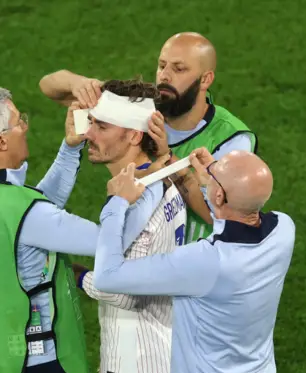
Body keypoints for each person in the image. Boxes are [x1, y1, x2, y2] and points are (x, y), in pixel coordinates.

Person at [0, 88, 163, 373]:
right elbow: (107, 242)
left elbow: (34, 210)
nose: (26, 127)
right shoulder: (28, 215)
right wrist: (147, 186)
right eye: (20, 122)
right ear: (2, 141)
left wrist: (70, 148)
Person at [89, 148, 295, 373]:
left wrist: (116, 204)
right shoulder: (284, 230)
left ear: (220, 195)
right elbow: (233, 217)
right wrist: (210, 182)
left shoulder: (204, 262)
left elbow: (108, 276)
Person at [38, 32, 258, 243]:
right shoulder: (142, 107)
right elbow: (48, 86)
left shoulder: (231, 140)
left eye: (179, 69)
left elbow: (219, 215)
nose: (164, 76)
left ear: (205, 79)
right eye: (162, 66)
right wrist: (77, 84)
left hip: (200, 262)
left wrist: (168, 159)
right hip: (150, 246)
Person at [71, 79, 187, 373]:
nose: (88, 134)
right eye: (90, 122)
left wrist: (76, 275)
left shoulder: (135, 200)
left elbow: (125, 292)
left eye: (101, 126)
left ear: (135, 136)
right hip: (160, 363)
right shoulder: (161, 181)